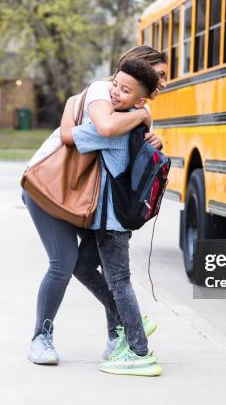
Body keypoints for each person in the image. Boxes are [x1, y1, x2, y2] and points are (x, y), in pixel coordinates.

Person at [23, 46, 167, 366]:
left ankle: (134, 345)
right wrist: (141, 116)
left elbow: (80, 133)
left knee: (112, 279)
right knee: (77, 266)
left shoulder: (124, 118)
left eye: (126, 89)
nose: (162, 83)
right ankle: (123, 330)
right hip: (53, 190)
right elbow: (82, 131)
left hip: (103, 213)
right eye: (158, 75)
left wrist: (142, 121)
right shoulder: (110, 100)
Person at [60, 59, 162, 377]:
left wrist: (69, 103)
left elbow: (67, 136)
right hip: (105, 218)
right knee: (82, 266)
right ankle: (129, 321)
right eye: (115, 84)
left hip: (112, 221)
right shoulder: (133, 119)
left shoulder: (117, 127)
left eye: (125, 90)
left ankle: (139, 351)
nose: (115, 92)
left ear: (140, 100)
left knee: (119, 281)